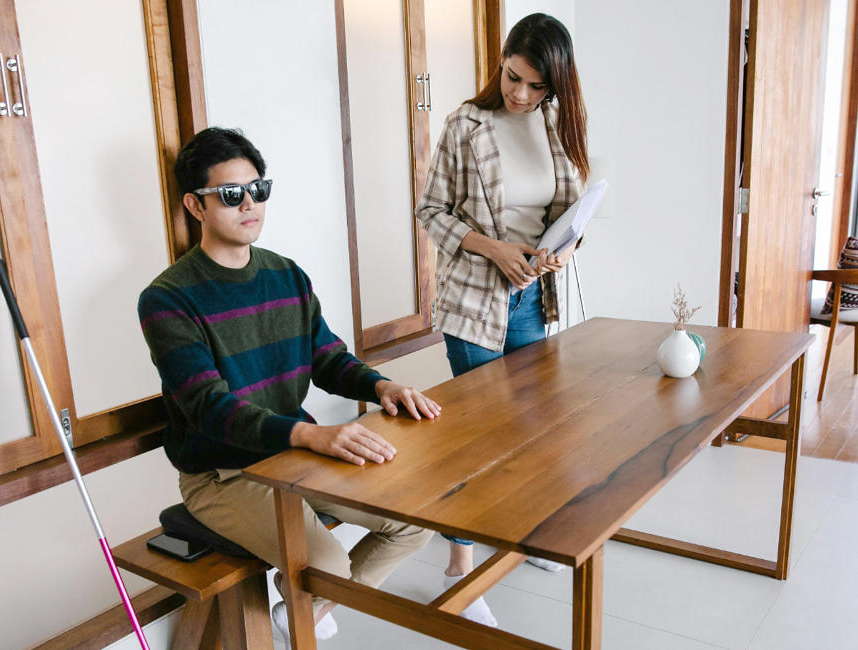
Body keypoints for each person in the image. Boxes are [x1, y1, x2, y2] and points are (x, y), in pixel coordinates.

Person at [139, 127, 439, 646]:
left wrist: (380, 386)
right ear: (195, 205)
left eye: (258, 189)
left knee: (415, 522)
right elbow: (210, 408)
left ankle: (309, 610)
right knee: (329, 563)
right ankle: (312, 609)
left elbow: (327, 359)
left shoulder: (287, 276)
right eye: (231, 195)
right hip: (222, 474)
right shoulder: (168, 298)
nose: (249, 204)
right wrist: (310, 436)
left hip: (291, 459)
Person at [416, 13, 589, 626]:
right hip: (474, 300)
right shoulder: (467, 124)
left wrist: (562, 249)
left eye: (536, 86)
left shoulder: (555, 127)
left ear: (555, 87)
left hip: (531, 301)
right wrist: (494, 249)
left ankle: (523, 533)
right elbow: (430, 209)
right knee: (477, 436)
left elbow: (570, 216)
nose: (521, 94)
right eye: (514, 77)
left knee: (530, 430)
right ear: (502, 61)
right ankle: (459, 569)